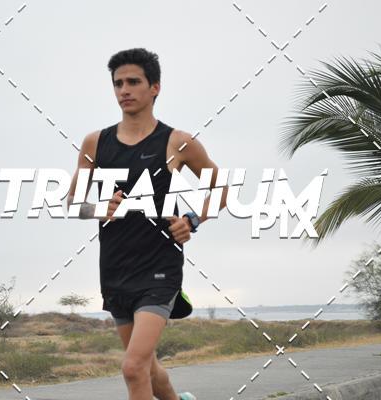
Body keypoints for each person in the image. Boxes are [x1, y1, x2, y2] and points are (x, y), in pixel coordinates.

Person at [66, 48, 228, 400]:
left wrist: (192, 220)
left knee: (132, 367)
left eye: (133, 82)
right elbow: (73, 203)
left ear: (155, 87)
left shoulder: (177, 142)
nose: (124, 90)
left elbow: (222, 189)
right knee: (149, 370)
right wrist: (99, 209)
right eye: (118, 83)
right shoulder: (95, 143)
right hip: (114, 269)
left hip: (159, 268)